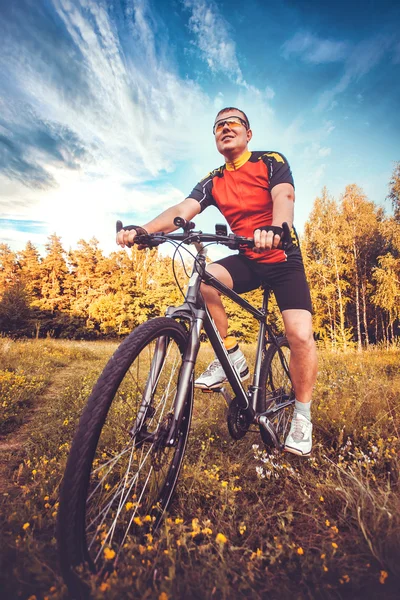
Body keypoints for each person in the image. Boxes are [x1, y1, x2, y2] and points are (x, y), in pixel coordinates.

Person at [116, 107, 318, 456]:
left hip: (282, 256)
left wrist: (276, 227)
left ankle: (302, 415)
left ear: (248, 134)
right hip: (248, 257)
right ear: (215, 137)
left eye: (233, 123)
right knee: (205, 279)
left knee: (299, 333)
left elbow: (284, 196)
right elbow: (184, 208)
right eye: (218, 126)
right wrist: (145, 229)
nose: (225, 128)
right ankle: (233, 356)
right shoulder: (214, 179)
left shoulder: (270, 161)